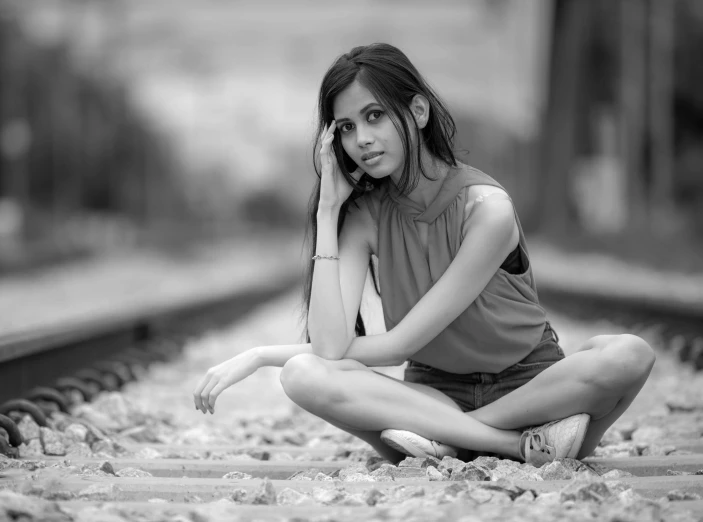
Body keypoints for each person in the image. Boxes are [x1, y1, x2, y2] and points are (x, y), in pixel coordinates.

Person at [192, 43, 656, 467]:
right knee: (302, 375)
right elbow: (330, 346)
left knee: (628, 355)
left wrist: (259, 354)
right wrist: (329, 210)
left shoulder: (487, 210)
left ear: (417, 111)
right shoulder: (362, 217)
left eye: (375, 116)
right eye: (348, 128)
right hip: (435, 393)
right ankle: (513, 445)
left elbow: (401, 345)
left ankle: (448, 441)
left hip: (531, 387)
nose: (363, 139)